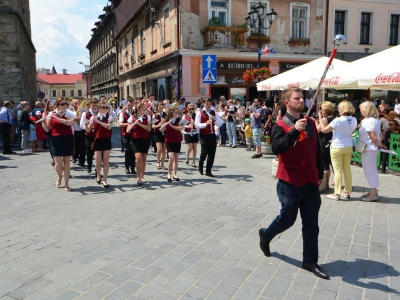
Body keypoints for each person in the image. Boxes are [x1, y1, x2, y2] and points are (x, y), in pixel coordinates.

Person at [259, 87, 329, 280]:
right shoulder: (279, 125)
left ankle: (310, 261)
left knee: (311, 224)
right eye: (297, 98)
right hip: (289, 182)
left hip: (310, 181)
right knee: (287, 219)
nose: (302, 100)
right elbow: (277, 148)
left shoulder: (312, 123)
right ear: (287, 102)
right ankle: (266, 235)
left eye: (303, 98)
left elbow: (315, 149)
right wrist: (293, 131)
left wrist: (319, 172)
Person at [319, 100, 357, 200]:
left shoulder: (338, 120)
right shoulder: (354, 119)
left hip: (337, 146)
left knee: (337, 170)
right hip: (348, 146)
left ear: (342, 109)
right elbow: (352, 131)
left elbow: (323, 130)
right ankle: (347, 191)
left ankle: (337, 193)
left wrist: (320, 120)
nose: (338, 109)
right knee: (347, 170)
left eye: (339, 108)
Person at [42, 97, 75, 191]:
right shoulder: (52, 114)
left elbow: (70, 123)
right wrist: (44, 121)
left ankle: (66, 184)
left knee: (67, 162)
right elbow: (47, 129)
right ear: (57, 105)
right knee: (58, 163)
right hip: (55, 139)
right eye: (62, 104)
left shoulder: (69, 113)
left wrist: (57, 118)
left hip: (67, 138)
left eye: (66, 104)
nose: (65, 106)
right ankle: (59, 177)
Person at [359, 101, 387, 202]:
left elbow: (373, 137)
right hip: (371, 148)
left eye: (362, 108)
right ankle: (373, 191)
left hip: (369, 148)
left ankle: (373, 193)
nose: (360, 110)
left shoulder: (368, 121)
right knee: (371, 170)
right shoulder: (375, 120)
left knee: (369, 171)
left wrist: (380, 145)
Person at [86, 99, 113, 188]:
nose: (105, 109)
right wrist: (88, 123)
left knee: (105, 161)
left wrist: (98, 121)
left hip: (106, 140)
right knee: (98, 161)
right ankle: (98, 174)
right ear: (98, 108)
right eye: (103, 107)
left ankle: (105, 180)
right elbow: (88, 130)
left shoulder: (109, 116)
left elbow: (108, 127)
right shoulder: (93, 116)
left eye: (106, 107)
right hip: (97, 140)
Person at [195, 98, 222, 177]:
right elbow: (197, 124)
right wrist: (205, 124)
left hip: (212, 135)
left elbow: (219, 124)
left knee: (212, 153)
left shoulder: (214, 112)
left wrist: (215, 120)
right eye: (207, 104)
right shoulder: (199, 112)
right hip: (204, 135)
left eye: (210, 104)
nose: (208, 105)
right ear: (204, 103)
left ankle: (208, 171)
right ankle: (201, 162)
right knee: (204, 152)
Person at [127, 102, 151, 185]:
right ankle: (138, 177)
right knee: (138, 158)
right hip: (135, 140)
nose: (145, 110)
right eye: (143, 109)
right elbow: (128, 130)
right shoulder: (132, 117)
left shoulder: (147, 117)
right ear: (138, 109)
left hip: (145, 139)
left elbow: (149, 129)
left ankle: (142, 176)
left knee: (144, 159)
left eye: (145, 109)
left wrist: (139, 124)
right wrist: (130, 127)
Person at [316, 101, 334, 189]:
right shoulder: (334, 118)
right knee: (332, 163)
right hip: (332, 142)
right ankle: (335, 181)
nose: (321, 111)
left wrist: (319, 119)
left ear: (325, 111)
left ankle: (326, 184)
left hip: (324, 142)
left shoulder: (324, 119)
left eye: (322, 109)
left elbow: (317, 130)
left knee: (325, 164)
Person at [162, 107, 183, 181]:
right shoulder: (167, 120)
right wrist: (163, 126)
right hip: (169, 140)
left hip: (177, 140)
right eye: (175, 112)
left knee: (176, 158)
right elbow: (162, 130)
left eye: (177, 112)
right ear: (171, 113)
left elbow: (180, 128)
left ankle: (175, 174)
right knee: (171, 157)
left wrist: (172, 126)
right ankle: (168, 174)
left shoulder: (179, 120)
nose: (176, 114)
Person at [80, 98, 99, 174]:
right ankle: (89, 165)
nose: (94, 107)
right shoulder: (85, 113)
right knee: (89, 152)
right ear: (89, 105)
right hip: (89, 135)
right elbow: (81, 125)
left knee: (97, 153)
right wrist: (88, 128)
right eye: (93, 105)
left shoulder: (99, 113)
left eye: (96, 105)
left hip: (97, 135)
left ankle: (97, 169)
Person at [119, 98, 136, 174]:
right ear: (126, 105)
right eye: (128, 105)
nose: (130, 106)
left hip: (134, 135)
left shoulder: (135, 113)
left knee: (133, 151)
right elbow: (120, 124)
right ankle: (127, 167)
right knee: (127, 151)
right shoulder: (122, 113)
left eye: (131, 105)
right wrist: (128, 124)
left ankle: (133, 167)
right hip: (125, 134)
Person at [71, 99, 86, 166]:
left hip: (82, 131)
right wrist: (74, 118)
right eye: (75, 103)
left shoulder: (83, 111)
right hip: (73, 131)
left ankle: (82, 161)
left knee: (82, 147)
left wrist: (80, 118)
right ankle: (74, 157)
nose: (77, 104)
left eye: (78, 103)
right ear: (72, 104)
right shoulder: (69, 111)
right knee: (74, 146)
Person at [152, 102, 167, 170]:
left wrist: (165, 124)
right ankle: (158, 161)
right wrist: (159, 124)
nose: (160, 109)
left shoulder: (165, 115)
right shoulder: (155, 115)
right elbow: (153, 126)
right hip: (157, 133)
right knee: (159, 149)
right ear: (157, 108)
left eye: (162, 108)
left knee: (164, 150)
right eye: (159, 108)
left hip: (164, 133)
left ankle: (163, 164)